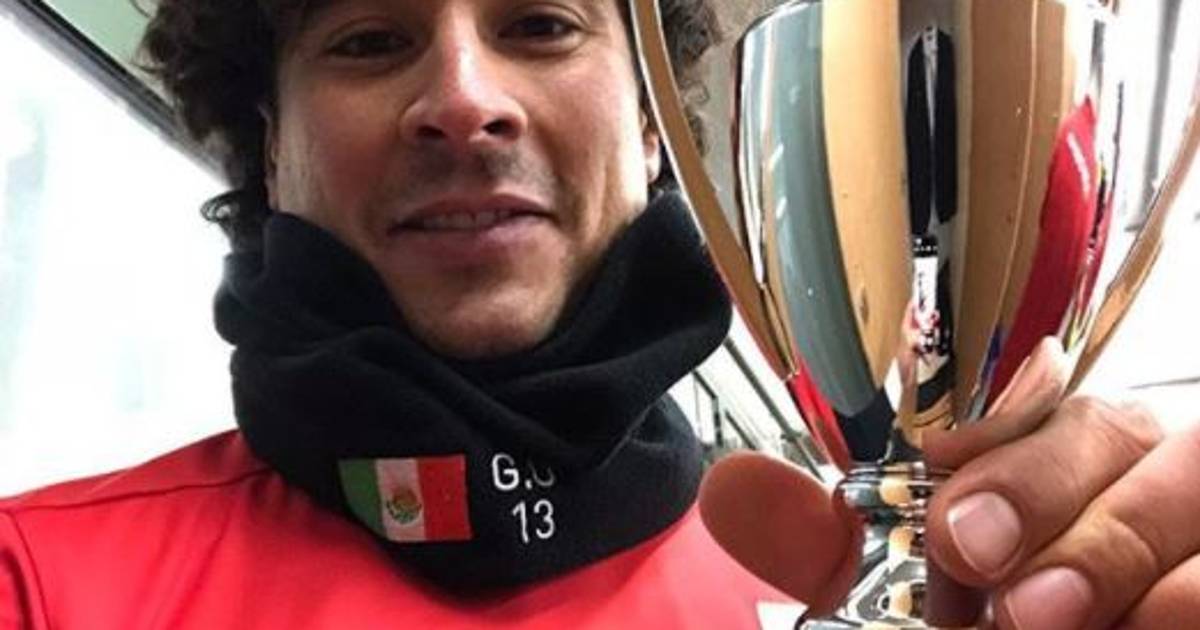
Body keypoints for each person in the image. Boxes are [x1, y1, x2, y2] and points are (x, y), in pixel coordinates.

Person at [1, 1, 1197, 629]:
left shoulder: (865, 590)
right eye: (370, 40)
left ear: (654, 131)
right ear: (271, 145)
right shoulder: (34, 585)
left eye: (540, 24)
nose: (464, 99)